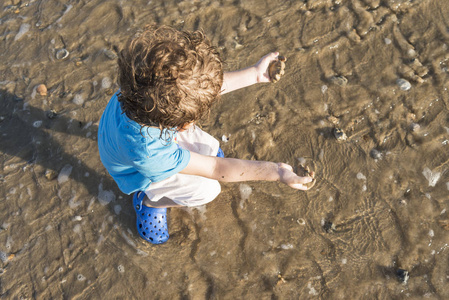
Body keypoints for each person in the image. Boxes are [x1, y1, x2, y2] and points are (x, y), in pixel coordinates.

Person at [98, 25, 313, 245]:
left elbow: (196, 87)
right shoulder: (150, 154)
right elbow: (216, 169)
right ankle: (151, 202)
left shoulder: (141, 83)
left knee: (209, 148)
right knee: (208, 189)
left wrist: (256, 74)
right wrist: (276, 172)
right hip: (137, 169)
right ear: (181, 124)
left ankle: (177, 170)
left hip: (119, 134)